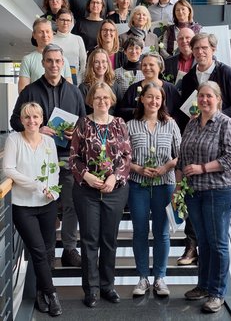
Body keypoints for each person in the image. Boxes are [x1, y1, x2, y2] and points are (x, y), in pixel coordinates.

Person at [11, 44, 86, 268]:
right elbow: (14, 121)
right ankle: (49, 251)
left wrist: (76, 131)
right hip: (38, 160)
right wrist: (38, 129)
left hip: (67, 157)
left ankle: (70, 249)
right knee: (47, 204)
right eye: (49, 61)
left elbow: (83, 123)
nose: (54, 65)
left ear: (63, 64)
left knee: (72, 204)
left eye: (57, 61)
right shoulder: (30, 91)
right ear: (43, 63)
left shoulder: (75, 92)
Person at [178, 32, 231, 266]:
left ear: (213, 49)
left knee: (217, 237)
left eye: (204, 48)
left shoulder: (224, 72)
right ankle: (191, 246)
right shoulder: (188, 78)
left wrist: (213, 117)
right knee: (193, 198)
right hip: (196, 142)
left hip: (219, 141)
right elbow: (182, 111)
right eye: (196, 48)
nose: (200, 52)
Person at [176, 81, 231, 313]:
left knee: (218, 243)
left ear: (218, 99)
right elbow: (182, 158)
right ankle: (203, 286)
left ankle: (217, 293)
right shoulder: (192, 124)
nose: (204, 100)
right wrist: (178, 188)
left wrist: (202, 168)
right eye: (201, 96)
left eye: (209, 96)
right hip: (194, 192)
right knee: (203, 242)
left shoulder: (226, 123)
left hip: (218, 191)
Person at [69, 82, 131, 308]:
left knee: (109, 240)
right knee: (89, 240)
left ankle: (107, 286)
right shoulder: (83, 123)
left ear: (111, 100)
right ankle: (91, 289)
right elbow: (73, 157)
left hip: (114, 191)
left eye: (106, 98)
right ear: (91, 100)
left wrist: (114, 177)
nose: (102, 101)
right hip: (87, 191)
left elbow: (126, 157)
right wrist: (86, 176)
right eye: (97, 98)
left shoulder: (119, 124)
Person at [3, 102, 62, 317]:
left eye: (36, 117)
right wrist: (36, 184)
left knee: (47, 251)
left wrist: (54, 192)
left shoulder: (48, 141)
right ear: (21, 120)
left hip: (47, 204)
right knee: (37, 250)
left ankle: (39, 293)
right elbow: (8, 169)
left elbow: (54, 169)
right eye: (27, 117)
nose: (32, 121)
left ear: (42, 119)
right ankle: (52, 294)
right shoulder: (14, 139)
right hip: (23, 206)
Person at [127, 82, 181, 296]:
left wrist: (166, 167)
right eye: (149, 97)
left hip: (164, 184)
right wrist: (137, 168)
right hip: (137, 185)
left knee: (161, 233)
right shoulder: (130, 125)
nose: (153, 101)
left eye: (157, 98)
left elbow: (180, 154)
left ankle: (160, 278)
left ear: (162, 101)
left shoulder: (171, 124)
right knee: (140, 232)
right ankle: (142, 278)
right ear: (142, 99)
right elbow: (122, 157)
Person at [121, 52, 182, 123]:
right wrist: (139, 111)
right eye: (144, 65)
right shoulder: (133, 89)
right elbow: (122, 111)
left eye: (151, 65)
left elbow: (179, 113)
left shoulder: (170, 89)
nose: (147, 68)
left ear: (160, 67)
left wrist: (169, 120)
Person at [18, 18, 72, 93]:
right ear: (34, 35)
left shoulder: (63, 60)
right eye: (41, 32)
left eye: (47, 31)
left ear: (52, 34)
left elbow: (69, 90)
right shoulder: (28, 60)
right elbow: (23, 91)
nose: (45, 35)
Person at [78, 48, 122, 115]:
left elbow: (120, 110)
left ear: (108, 63)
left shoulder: (115, 85)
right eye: (96, 62)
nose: (100, 65)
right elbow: (81, 112)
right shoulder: (83, 88)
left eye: (103, 61)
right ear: (91, 64)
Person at [53, 8, 87, 85]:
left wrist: (79, 80)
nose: (65, 23)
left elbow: (83, 62)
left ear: (72, 22)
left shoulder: (78, 39)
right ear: (57, 21)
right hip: (55, 79)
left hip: (75, 80)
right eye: (62, 20)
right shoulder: (51, 40)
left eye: (68, 20)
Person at [162, 27, 196, 92]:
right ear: (177, 42)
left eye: (187, 37)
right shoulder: (168, 62)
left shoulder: (201, 60)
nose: (184, 41)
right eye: (181, 38)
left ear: (194, 40)